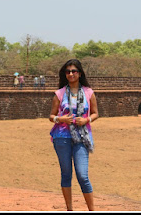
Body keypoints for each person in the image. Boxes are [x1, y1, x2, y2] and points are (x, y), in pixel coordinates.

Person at [49, 59, 98, 211]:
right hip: (62, 137)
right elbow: (51, 116)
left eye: (74, 71)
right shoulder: (60, 93)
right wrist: (60, 119)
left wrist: (86, 120)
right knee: (66, 174)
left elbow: (96, 113)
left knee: (83, 175)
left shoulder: (89, 92)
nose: (71, 74)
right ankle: (69, 208)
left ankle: (92, 209)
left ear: (80, 73)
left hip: (82, 138)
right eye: (68, 71)